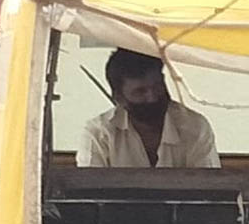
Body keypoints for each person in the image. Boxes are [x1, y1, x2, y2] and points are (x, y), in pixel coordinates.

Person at [76, 49, 220, 169]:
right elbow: (89, 193)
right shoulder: (99, 133)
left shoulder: (195, 127)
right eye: (140, 92)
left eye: (157, 86)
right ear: (119, 98)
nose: (152, 98)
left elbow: (210, 191)